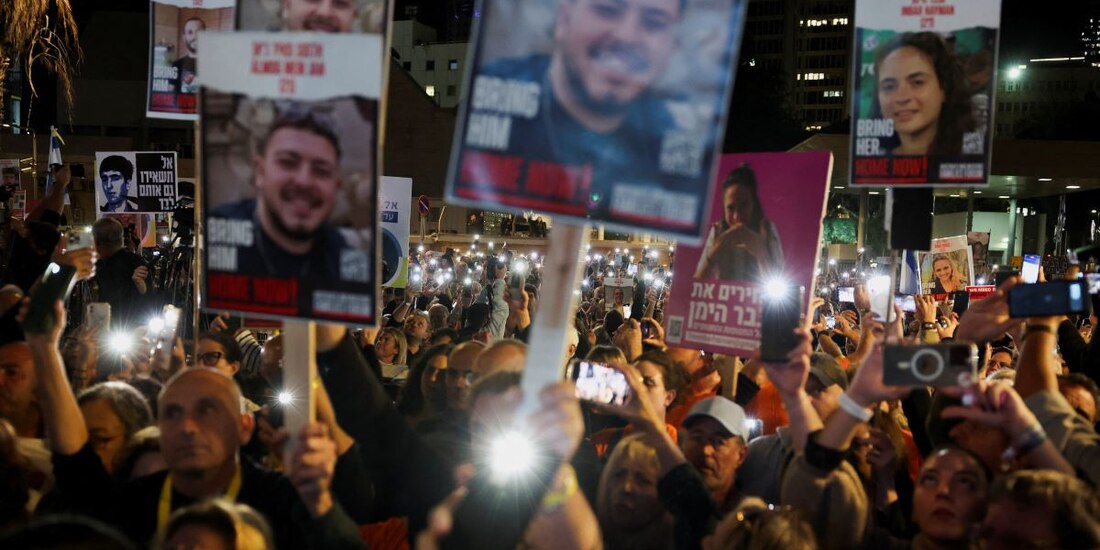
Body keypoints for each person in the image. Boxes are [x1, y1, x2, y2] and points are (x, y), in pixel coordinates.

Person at [25, 299, 371, 548]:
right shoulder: (137, 501)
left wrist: (318, 500)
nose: (188, 427)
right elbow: (76, 468)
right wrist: (44, 349)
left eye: (206, 411)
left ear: (244, 427)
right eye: (173, 413)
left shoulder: (281, 499)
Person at [471, 0, 691, 218]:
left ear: (673, 45)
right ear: (564, 18)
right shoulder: (487, 99)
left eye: (653, 23)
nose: (626, 36)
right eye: (607, 10)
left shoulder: (677, 153)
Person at [209, 108, 362, 283]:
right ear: (260, 172)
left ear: (336, 187)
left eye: (321, 171)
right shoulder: (216, 236)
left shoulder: (347, 264)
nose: (304, 181)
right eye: (288, 163)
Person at [871, 31, 976, 157]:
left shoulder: (970, 159)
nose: (902, 97)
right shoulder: (872, 163)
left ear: (943, 89)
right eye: (889, 87)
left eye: (917, 82)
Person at [694, 163, 784, 281]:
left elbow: (779, 290)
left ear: (753, 204)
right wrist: (714, 252)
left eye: (743, 206)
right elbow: (695, 285)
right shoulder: (718, 231)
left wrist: (761, 252)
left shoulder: (766, 229)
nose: (737, 217)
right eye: (731, 208)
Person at [91, 218, 150, 328]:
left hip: (119, 328)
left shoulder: (95, 266)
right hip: (133, 326)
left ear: (96, 242)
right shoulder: (137, 261)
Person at [172, 17, 203, 95]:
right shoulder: (176, 65)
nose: (195, 37)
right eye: (190, 32)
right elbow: (171, 94)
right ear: (184, 38)